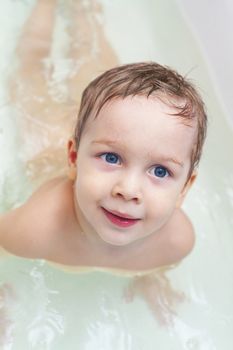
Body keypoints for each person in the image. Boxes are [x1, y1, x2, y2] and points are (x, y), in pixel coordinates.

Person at [0, 61, 207, 274]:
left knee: (92, 66)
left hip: (104, 128)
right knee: (35, 75)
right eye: (111, 157)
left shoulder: (175, 242)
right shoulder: (36, 227)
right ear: (73, 157)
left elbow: (160, 267)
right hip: (47, 144)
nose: (128, 191)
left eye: (160, 171)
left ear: (184, 188)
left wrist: (150, 278)